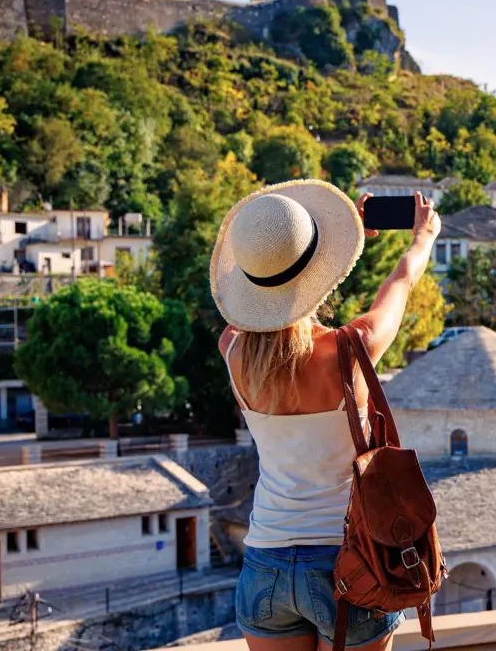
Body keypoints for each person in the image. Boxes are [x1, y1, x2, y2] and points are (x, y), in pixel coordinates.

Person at [210, 180, 440, 651]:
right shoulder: (352, 352)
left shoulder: (231, 349)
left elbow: (269, 308)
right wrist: (422, 238)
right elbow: (399, 285)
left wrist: (326, 254)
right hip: (350, 565)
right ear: (321, 272)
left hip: (264, 566)